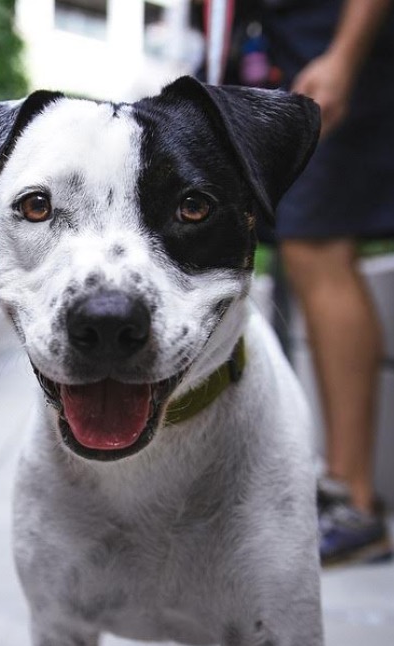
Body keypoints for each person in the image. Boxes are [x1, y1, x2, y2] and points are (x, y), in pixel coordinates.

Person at [262, 0, 394, 566]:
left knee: (319, 243)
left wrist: (343, 55)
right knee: (303, 246)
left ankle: (356, 503)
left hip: (332, 41)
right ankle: (337, 490)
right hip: (289, 44)